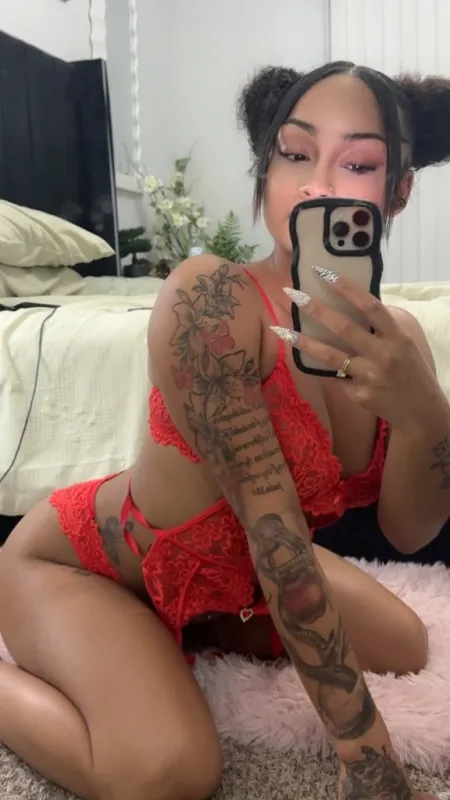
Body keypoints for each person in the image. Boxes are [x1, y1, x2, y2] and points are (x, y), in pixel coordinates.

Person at [0, 61, 450, 800]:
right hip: (90, 568)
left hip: (227, 571)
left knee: (406, 643)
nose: (316, 184)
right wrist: (368, 758)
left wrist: (426, 410)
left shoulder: (400, 341)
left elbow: (409, 530)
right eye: (295, 153)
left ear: (397, 192)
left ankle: (203, 624)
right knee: (168, 772)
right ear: (266, 170)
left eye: (359, 164)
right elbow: (279, 544)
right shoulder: (210, 300)